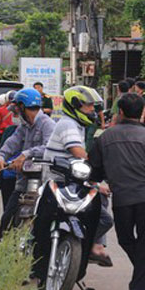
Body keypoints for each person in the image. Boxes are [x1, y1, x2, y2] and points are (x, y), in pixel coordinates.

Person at [88, 93, 145, 290]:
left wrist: (99, 181)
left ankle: (144, 279)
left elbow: (95, 170)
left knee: (126, 239)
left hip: (122, 200)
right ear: (142, 112)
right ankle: (142, 283)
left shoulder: (105, 137)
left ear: (121, 112)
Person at [34, 86, 113, 278]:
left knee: (100, 201)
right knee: (104, 218)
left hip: (72, 181)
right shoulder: (68, 125)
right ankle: (91, 247)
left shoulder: (78, 125)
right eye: (88, 106)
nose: (92, 111)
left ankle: (93, 246)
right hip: (58, 183)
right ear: (75, 106)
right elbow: (79, 153)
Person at [0, 88, 56, 239]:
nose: (15, 113)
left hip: (44, 184)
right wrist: (0, 157)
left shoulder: (48, 124)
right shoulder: (23, 127)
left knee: (45, 222)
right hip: (23, 183)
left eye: (16, 108)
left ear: (22, 107)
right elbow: (9, 145)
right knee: (7, 220)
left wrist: (25, 154)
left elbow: (49, 148)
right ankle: (4, 256)